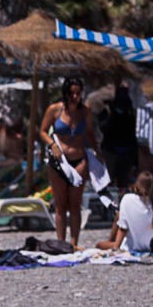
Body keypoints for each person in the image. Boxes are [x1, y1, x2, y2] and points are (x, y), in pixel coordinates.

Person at [40, 76, 100, 248]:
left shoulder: (85, 111)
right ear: (65, 93)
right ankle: (61, 242)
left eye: (78, 93)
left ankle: (73, 243)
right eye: (71, 93)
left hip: (79, 160)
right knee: (60, 205)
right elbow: (43, 131)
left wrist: (97, 150)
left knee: (75, 204)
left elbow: (89, 132)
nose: (75, 97)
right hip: (59, 162)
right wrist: (52, 144)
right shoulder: (55, 110)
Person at [95, 172, 153, 252]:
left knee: (99, 245)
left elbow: (123, 229)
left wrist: (116, 245)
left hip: (133, 246)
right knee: (120, 215)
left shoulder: (127, 199)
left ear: (137, 185)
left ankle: (110, 241)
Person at [99, 81, 138, 189]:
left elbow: (132, 131)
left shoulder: (129, 111)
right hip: (111, 151)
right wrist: (111, 114)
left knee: (123, 183)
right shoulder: (107, 111)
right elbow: (104, 128)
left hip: (126, 151)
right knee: (108, 180)